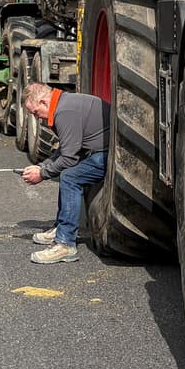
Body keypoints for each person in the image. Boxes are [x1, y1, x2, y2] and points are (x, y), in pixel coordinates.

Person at [20, 82, 111, 264]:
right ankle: (62, 227)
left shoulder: (64, 112)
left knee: (70, 177)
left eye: (36, 112)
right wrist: (42, 166)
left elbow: (69, 158)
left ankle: (65, 243)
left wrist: (43, 174)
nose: (37, 118)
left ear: (44, 102)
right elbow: (66, 149)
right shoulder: (63, 104)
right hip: (101, 149)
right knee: (68, 174)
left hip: (109, 154)